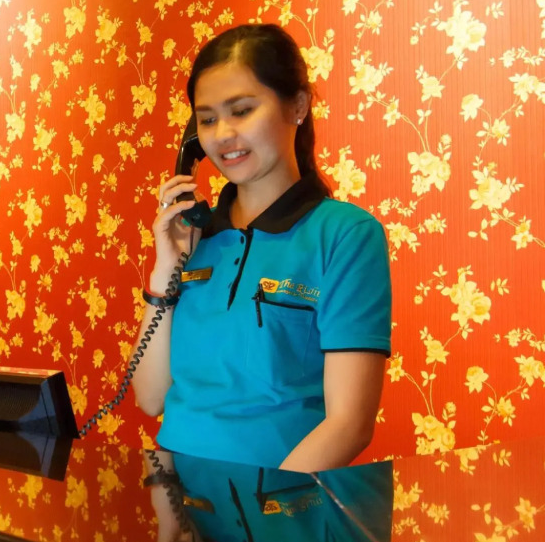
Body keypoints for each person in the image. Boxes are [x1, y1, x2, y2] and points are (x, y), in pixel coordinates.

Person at [130, 24, 392, 473]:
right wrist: (165, 271)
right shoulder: (195, 236)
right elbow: (150, 398)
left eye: (242, 111)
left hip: (279, 506)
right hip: (176, 498)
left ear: (298, 106)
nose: (222, 134)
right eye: (207, 119)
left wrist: (267, 505)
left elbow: (349, 424)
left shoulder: (346, 235)